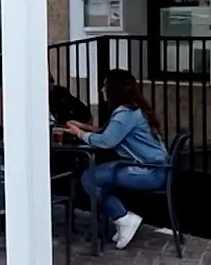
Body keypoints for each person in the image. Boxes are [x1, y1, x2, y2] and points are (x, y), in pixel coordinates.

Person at [64, 69, 169, 250]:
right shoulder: (131, 111)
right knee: (96, 177)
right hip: (154, 168)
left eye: (105, 85)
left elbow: (107, 141)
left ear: (113, 90)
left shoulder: (125, 114)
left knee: (89, 178)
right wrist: (86, 128)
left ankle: (123, 218)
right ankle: (120, 219)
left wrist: (80, 134)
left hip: (149, 172)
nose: (102, 90)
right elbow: (109, 132)